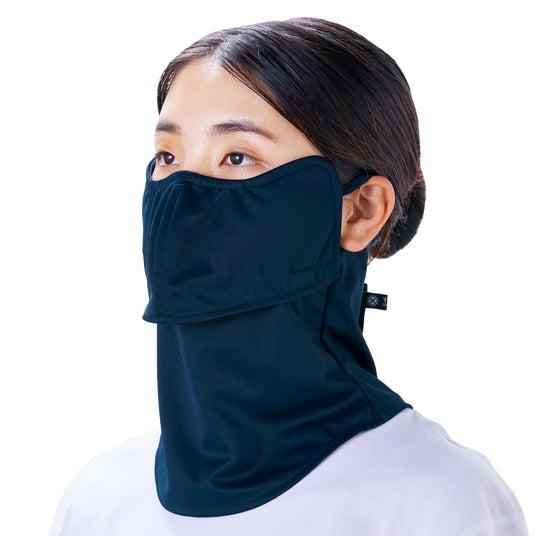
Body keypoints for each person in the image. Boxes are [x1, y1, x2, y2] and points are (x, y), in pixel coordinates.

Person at [48, 17, 528, 535]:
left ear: (361, 210)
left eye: (237, 157)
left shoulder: (439, 502)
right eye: (168, 156)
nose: (182, 196)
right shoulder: (101, 495)